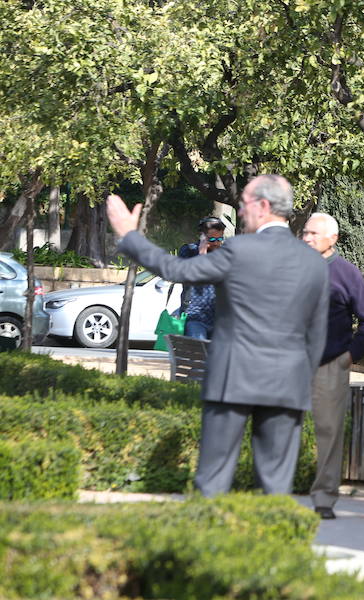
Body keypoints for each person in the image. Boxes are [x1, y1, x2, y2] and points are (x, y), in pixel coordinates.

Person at [106, 174, 329, 496]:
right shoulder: (314, 262)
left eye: (244, 204)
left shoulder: (239, 249)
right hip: (288, 384)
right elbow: (317, 333)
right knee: (276, 489)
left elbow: (176, 271)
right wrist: (301, 380)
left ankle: (207, 541)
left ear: (263, 206)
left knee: (213, 483)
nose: (240, 211)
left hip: (231, 379)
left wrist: (130, 236)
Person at [301, 212, 364, 520]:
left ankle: (323, 499)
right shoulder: (292, 268)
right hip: (289, 364)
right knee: (279, 427)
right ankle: (275, 493)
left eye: (313, 234)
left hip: (329, 365)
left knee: (328, 432)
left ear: (332, 239)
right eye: (305, 233)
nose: (306, 238)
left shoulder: (347, 273)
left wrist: (349, 357)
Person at [178, 217, 227, 340]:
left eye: (220, 239)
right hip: (195, 316)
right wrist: (202, 254)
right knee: (198, 355)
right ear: (202, 236)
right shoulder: (188, 252)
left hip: (219, 317)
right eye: (212, 239)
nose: (216, 243)